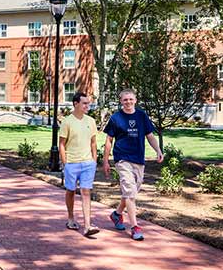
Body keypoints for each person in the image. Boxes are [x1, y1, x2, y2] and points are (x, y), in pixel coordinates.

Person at [102, 88, 163, 241]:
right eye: (125, 99)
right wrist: (105, 161)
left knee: (131, 192)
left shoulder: (142, 116)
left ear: (135, 100)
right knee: (130, 192)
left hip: (138, 159)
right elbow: (109, 140)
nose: (128, 102)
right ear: (121, 101)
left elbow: (150, 136)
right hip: (122, 158)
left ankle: (116, 214)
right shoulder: (116, 118)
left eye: (131, 99)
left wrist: (158, 150)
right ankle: (135, 227)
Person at [59, 91, 99, 237]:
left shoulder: (91, 121)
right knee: (70, 191)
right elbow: (62, 144)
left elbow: (93, 143)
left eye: (88, 103)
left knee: (86, 191)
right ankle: (70, 218)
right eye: (85, 103)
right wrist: (65, 164)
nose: (88, 106)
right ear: (76, 104)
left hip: (88, 163)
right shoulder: (67, 121)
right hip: (72, 164)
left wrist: (94, 161)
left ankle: (87, 225)